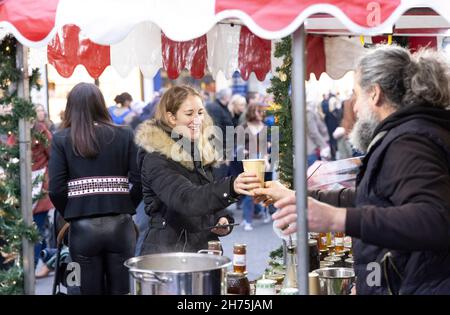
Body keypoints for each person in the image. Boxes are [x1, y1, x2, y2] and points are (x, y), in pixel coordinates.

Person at [254, 45, 450, 294]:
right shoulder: (408, 134)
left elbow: (433, 219)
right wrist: (299, 197)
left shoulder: (409, 141)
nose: (355, 108)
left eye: (356, 95)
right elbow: (374, 198)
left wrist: (336, 219)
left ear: (375, 94)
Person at [135, 85, 260, 254]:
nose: (198, 119)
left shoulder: (197, 150)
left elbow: (205, 194)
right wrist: (231, 186)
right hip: (170, 255)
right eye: (189, 113)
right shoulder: (156, 157)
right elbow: (186, 199)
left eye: (200, 112)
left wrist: (221, 218)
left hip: (203, 251)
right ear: (171, 117)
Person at [49, 83, 142, 295]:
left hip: (82, 230)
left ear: (71, 106)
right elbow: (139, 181)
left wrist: (73, 212)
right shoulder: (125, 134)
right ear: (101, 104)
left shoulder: (62, 138)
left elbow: (55, 189)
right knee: (122, 292)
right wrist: (126, 205)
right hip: (121, 225)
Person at [206, 88, 234, 178]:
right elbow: (216, 130)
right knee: (219, 176)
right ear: (226, 97)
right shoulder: (215, 108)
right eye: (230, 96)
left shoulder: (222, 107)